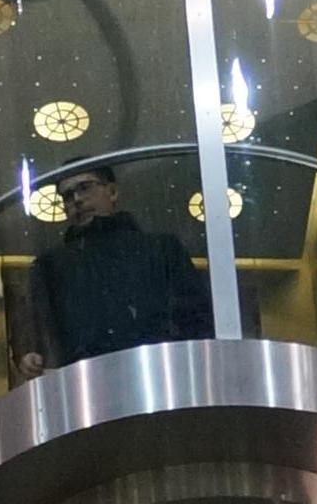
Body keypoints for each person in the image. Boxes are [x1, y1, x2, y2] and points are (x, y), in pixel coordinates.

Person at [16, 152, 209, 372]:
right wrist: (31, 355)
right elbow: (39, 331)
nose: (77, 199)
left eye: (85, 187)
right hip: (85, 379)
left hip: (159, 369)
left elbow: (196, 318)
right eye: (67, 196)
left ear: (112, 191)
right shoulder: (49, 266)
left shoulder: (161, 249)